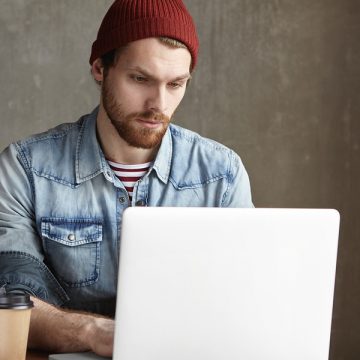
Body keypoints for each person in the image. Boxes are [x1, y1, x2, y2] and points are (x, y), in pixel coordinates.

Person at [0, 0, 253, 357]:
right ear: (100, 68)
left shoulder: (222, 176)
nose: (158, 104)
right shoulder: (25, 169)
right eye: (140, 79)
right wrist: (94, 332)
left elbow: (243, 304)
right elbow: (11, 304)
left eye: (176, 84)